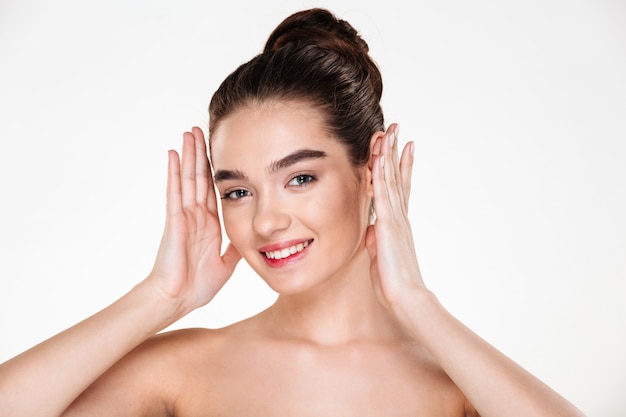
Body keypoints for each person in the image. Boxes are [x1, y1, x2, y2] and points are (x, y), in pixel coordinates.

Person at [0, 8, 585, 417]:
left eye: (299, 177)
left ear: (370, 170)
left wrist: (416, 304)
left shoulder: (455, 383)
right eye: (237, 190)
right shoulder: (180, 370)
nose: (266, 221)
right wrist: (159, 297)